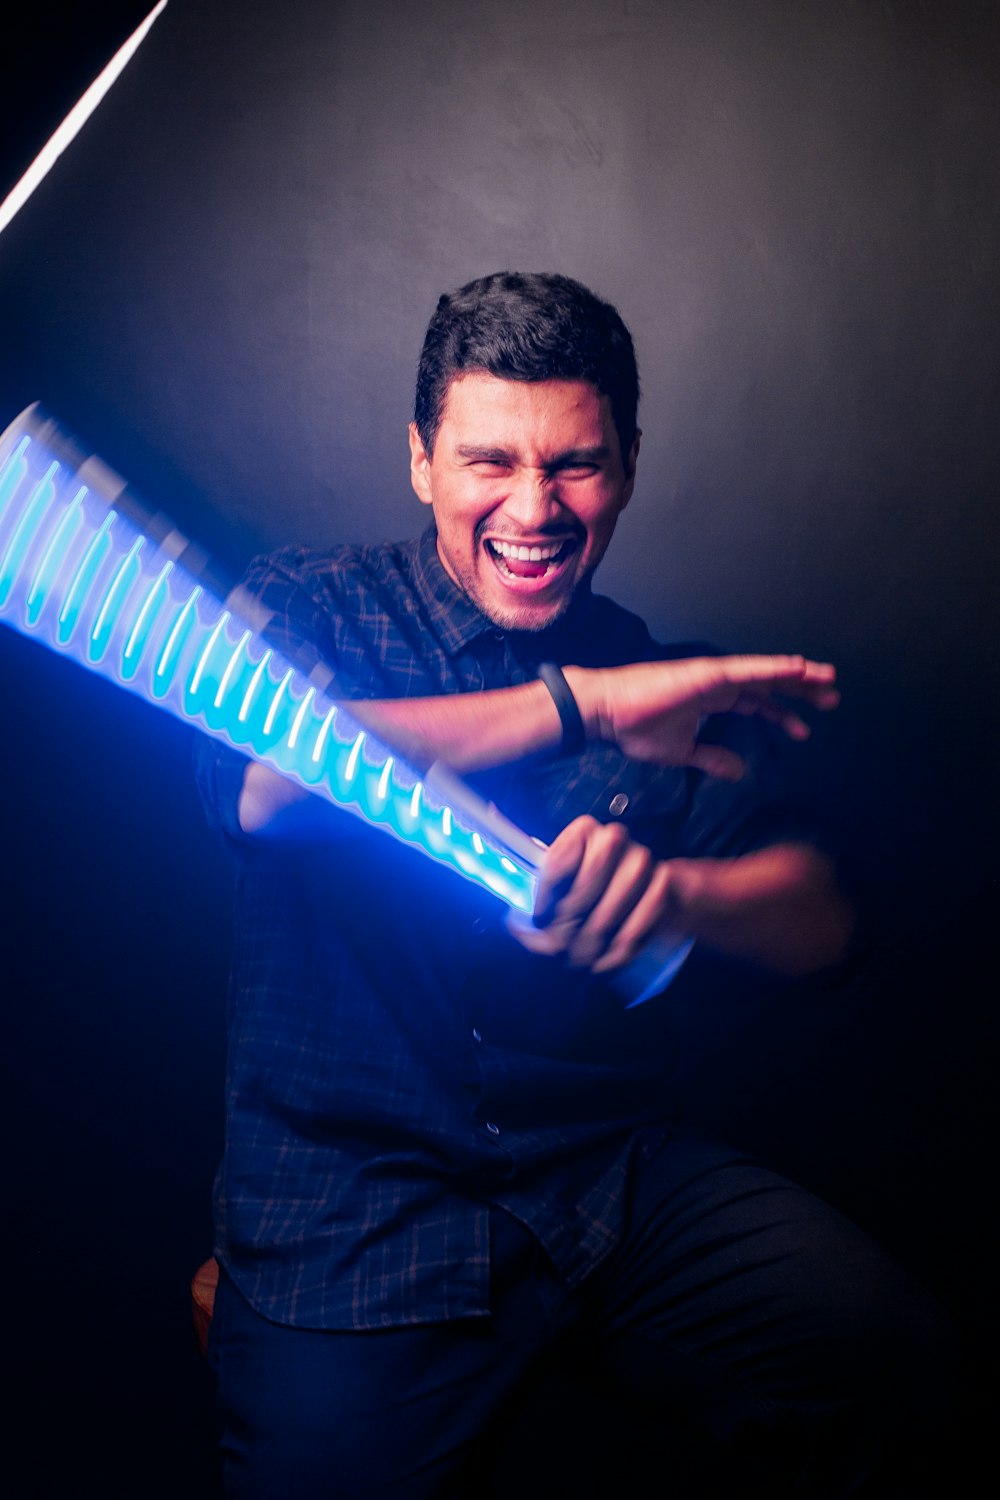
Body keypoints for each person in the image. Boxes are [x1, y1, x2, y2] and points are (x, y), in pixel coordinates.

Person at [195, 271, 960, 1498]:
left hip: (607, 1189)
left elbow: (824, 922)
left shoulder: (654, 668)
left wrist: (676, 897)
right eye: (489, 461)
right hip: (354, 1222)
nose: (534, 508)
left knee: (918, 1378)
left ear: (631, 464)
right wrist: (580, 708)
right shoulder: (311, 606)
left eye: (577, 466)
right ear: (420, 461)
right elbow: (265, 786)